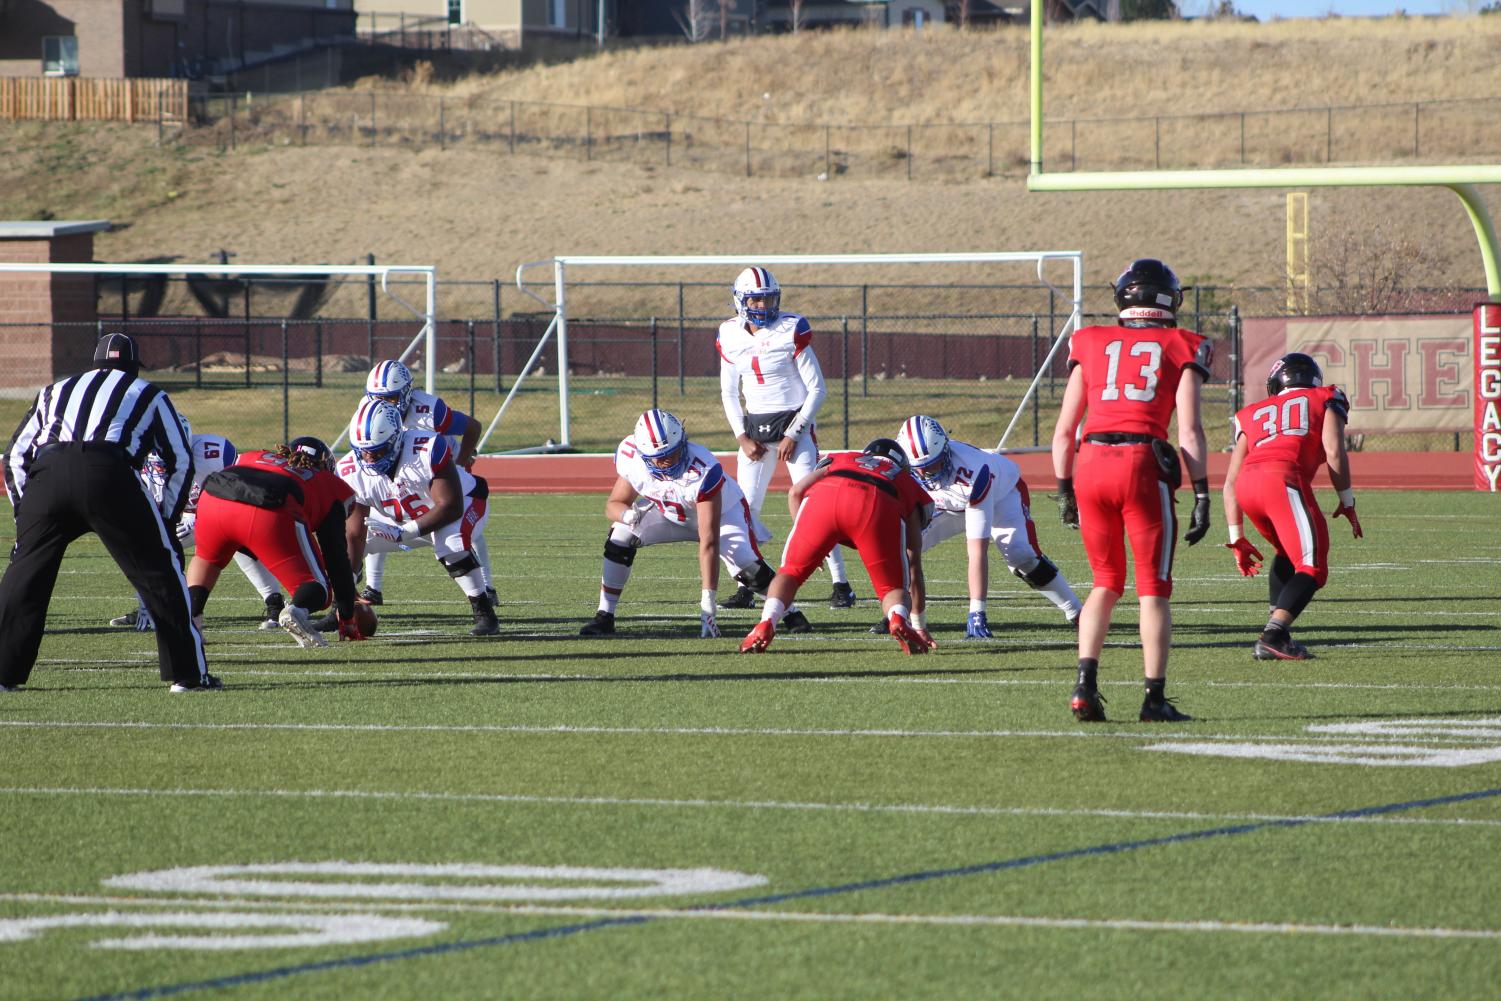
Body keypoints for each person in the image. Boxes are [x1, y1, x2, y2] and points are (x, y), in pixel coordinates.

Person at [0, 332, 217, 693]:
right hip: (109, 474)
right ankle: (188, 675)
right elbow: (178, 458)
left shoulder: (56, 389)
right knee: (160, 571)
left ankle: (3, 674)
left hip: (48, 475)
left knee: (24, 576)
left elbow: (16, 457)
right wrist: (165, 516)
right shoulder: (148, 393)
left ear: (96, 363)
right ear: (132, 367)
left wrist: (26, 514)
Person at [1051, 259, 1212, 723]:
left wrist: (1065, 491)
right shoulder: (1182, 344)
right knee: (1152, 591)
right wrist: (1201, 493)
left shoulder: (1090, 340)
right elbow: (1191, 432)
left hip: (1090, 464)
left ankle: (1085, 686)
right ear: (1168, 300)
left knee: (1104, 583)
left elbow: (1064, 432)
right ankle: (1153, 698)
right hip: (1142, 464)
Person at [579, 409, 811, 638]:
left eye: (675, 451)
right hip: (669, 515)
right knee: (620, 536)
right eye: (661, 458)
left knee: (746, 565)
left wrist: (707, 604)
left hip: (723, 515)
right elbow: (614, 503)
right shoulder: (632, 458)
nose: (671, 460)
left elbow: (708, 542)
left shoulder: (702, 468)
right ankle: (604, 615)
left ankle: (791, 612)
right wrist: (626, 516)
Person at [717, 266, 857, 610]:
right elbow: (728, 392)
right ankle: (748, 584)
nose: (764, 305)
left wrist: (794, 433)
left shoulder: (790, 329)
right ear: (740, 301)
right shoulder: (729, 334)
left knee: (815, 508)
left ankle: (841, 584)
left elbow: (818, 389)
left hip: (794, 426)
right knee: (743, 512)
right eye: (756, 299)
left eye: (768, 298)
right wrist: (740, 436)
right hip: (754, 431)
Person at [1222, 352, 1362, 660]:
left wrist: (1237, 537)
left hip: (1247, 487)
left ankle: (1276, 629)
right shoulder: (1326, 396)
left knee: (1287, 553)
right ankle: (1275, 634)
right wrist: (1347, 500)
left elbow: (1230, 482)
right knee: (1312, 565)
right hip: (1283, 479)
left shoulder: (1252, 412)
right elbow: (1335, 452)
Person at [892, 414, 1082, 638]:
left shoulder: (975, 471)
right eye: (918, 468)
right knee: (900, 549)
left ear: (945, 450)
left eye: (931, 465)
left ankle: (1077, 612)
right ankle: (899, 613)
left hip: (1000, 496)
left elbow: (977, 552)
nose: (924, 474)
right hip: (949, 506)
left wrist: (977, 613)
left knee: (1021, 555)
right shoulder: (905, 470)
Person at [741, 439, 934, 655]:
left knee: (790, 573)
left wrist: (811, 542)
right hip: (877, 503)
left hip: (825, 500)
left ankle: (767, 621)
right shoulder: (904, 479)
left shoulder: (843, 457)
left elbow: (795, 492)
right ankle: (897, 618)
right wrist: (919, 625)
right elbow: (913, 562)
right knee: (892, 589)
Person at [107, 416, 290, 632]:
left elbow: (237, 491)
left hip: (218, 512)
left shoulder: (212, 453)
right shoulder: (140, 461)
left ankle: (275, 603)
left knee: (237, 538)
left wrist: (200, 517)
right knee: (145, 544)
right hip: (177, 518)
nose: (162, 460)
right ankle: (152, 606)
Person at [338, 398, 499, 637]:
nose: (369, 459)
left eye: (376, 451)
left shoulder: (425, 448)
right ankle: (338, 611)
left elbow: (450, 506)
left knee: (449, 544)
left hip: (465, 503)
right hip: (408, 518)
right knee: (344, 546)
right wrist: (346, 594)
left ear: (394, 440)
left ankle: (485, 613)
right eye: (363, 452)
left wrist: (405, 533)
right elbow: (354, 533)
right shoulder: (350, 469)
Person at [186, 437, 365, 648]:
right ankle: (295, 611)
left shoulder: (255, 454)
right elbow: (336, 557)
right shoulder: (330, 484)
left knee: (207, 560)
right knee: (318, 588)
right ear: (325, 465)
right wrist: (346, 615)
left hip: (213, 498)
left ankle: (190, 623)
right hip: (268, 507)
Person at [355, 359, 492, 609]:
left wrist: (460, 464)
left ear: (407, 392)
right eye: (377, 398)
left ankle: (486, 587)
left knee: (459, 531)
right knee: (375, 517)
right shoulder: (369, 410)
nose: (384, 405)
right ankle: (373, 587)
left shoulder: (428, 409)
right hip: (395, 468)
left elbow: (472, 426)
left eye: (392, 398)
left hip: (437, 466)